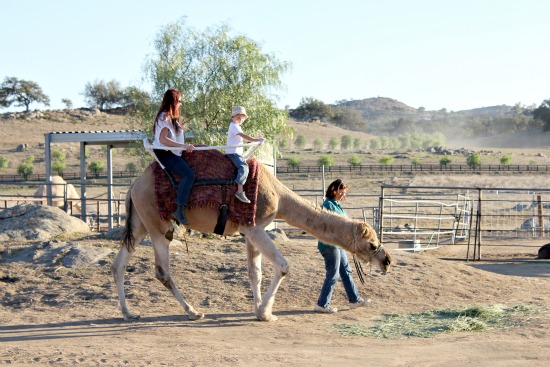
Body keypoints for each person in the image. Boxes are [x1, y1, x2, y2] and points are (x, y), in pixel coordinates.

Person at [314, 179, 371, 314]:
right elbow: (336, 224)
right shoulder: (328, 204)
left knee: (346, 271)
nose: (344, 195)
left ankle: (354, 300)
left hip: (338, 244)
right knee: (333, 275)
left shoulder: (336, 205)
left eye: (345, 193)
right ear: (334, 190)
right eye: (342, 192)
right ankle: (322, 304)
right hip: (330, 245)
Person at [153, 88, 195, 225]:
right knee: (189, 175)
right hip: (166, 154)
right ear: (173, 101)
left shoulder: (169, 117)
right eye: (179, 101)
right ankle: (179, 208)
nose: (181, 104)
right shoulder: (165, 118)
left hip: (172, 152)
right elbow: (163, 140)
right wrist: (183, 147)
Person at [225, 106, 264, 203]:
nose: (241, 119)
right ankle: (240, 191)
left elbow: (245, 139)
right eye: (238, 117)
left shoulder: (237, 127)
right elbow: (244, 136)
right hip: (233, 152)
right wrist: (256, 140)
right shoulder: (233, 126)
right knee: (243, 167)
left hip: (236, 153)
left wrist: (255, 140)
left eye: (242, 118)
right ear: (233, 117)